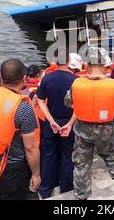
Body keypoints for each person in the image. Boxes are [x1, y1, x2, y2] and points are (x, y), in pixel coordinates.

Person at [64, 47, 114, 200]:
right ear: (104, 66)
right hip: (105, 130)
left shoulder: (76, 84)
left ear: (86, 66)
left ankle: (82, 197)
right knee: (111, 155)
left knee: (82, 163)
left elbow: (68, 103)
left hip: (82, 130)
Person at [0, 59, 40, 200]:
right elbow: (30, 147)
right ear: (24, 79)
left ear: (2, 76)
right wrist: (36, 174)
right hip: (13, 169)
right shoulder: (24, 107)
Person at [36, 49, 78, 198]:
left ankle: (46, 190)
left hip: (51, 124)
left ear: (55, 61)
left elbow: (40, 100)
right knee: (67, 157)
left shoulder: (47, 78)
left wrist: (51, 120)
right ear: (68, 61)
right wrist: (70, 123)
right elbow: (80, 105)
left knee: (48, 156)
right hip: (68, 124)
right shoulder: (76, 80)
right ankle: (66, 189)